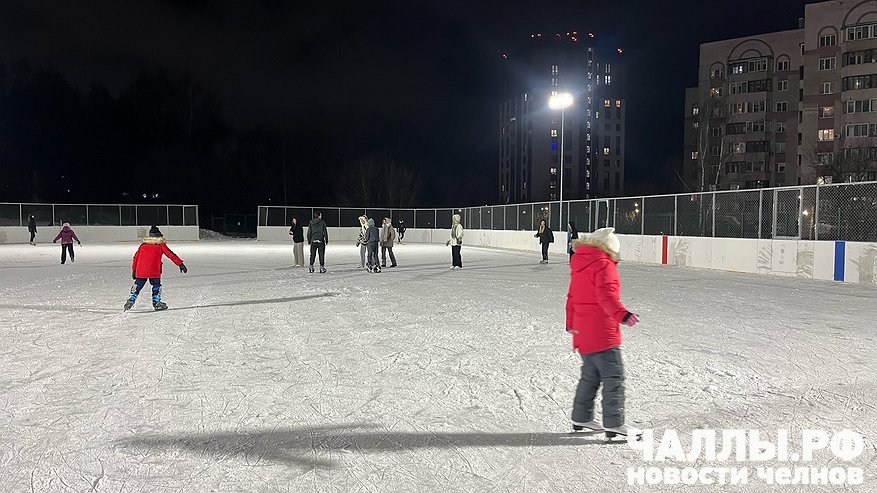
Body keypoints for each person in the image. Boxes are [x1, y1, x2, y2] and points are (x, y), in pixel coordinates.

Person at [566, 227, 640, 438]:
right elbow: (607, 297)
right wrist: (623, 315)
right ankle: (614, 423)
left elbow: (571, 297)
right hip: (602, 333)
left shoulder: (580, 263)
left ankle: (581, 416)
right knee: (613, 377)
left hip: (583, 333)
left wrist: (571, 324)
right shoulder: (603, 265)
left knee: (590, 377)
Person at [124, 226, 187, 311]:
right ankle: (156, 302)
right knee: (156, 285)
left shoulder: (143, 245)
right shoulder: (160, 245)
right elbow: (170, 254)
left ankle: (131, 299)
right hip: (154, 270)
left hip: (141, 270)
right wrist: (180, 264)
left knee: (138, 285)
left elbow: (136, 257)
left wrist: (134, 270)